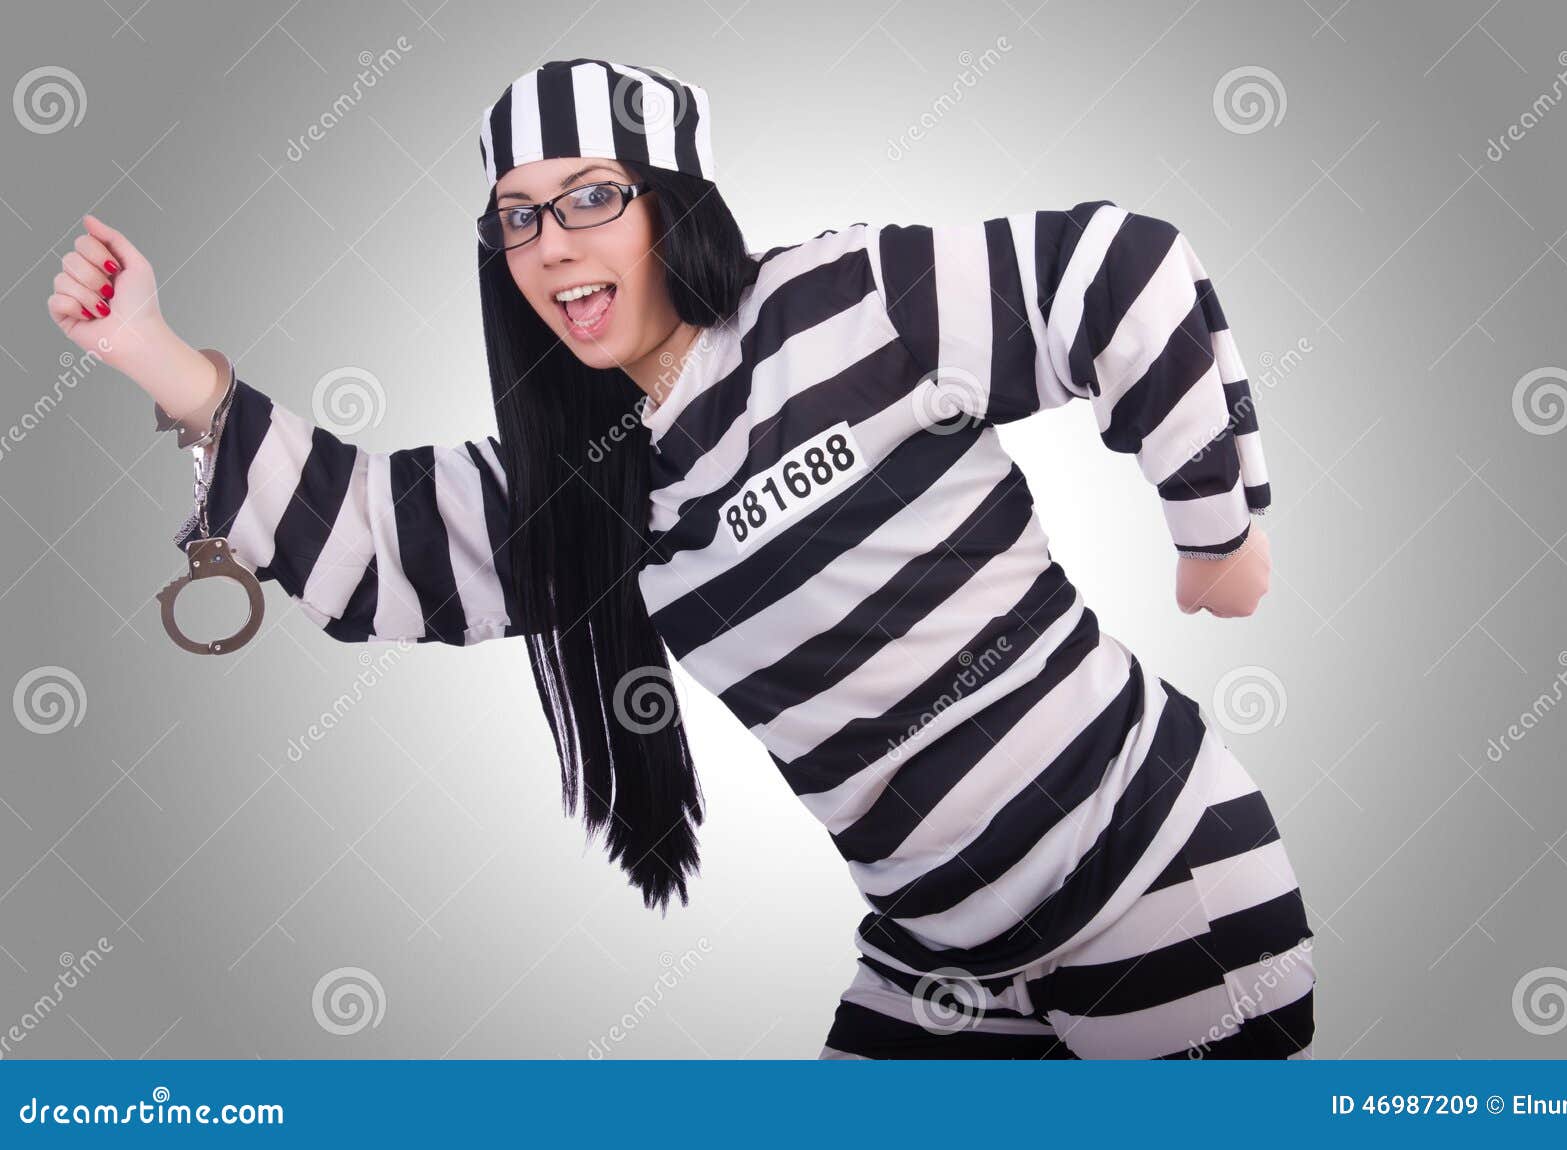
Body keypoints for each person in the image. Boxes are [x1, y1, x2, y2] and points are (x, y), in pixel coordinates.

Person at [46, 58, 1314, 1059]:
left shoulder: (847, 304)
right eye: (519, 218)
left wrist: (1218, 533)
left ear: (672, 201)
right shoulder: (588, 488)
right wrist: (159, 353)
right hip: (952, 966)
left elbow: (1115, 271)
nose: (551, 244)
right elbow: (379, 546)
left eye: (591, 196)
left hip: (1158, 882)